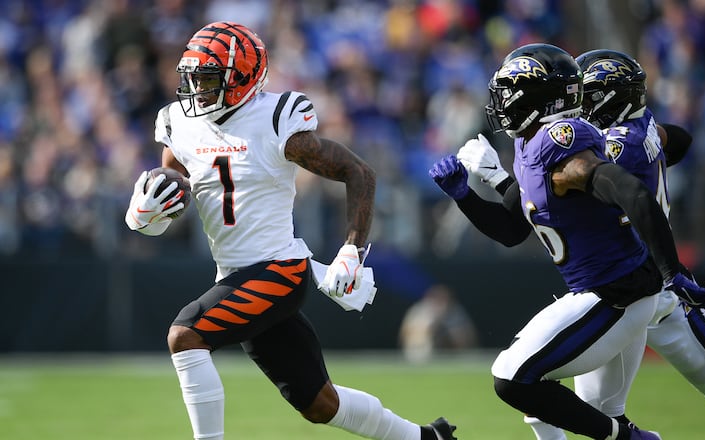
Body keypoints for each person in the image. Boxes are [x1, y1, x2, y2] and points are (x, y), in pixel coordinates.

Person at [124, 22, 457, 440]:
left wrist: (351, 251)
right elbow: (176, 193)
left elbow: (359, 172)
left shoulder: (274, 118)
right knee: (320, 403)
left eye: (209, 80)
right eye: (193, 79)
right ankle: (426, 438)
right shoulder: (180, 123)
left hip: (279, 271)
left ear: (243, 77)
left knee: (186, 334)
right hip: (234, 276)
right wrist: (145, 214)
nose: (198, 91)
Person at [455, 48, 705, 439]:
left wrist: (498, 179)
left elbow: (569, 192)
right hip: (637, 277)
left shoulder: (606, 146)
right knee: (589, 410)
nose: (579, 104)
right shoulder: (640, 129)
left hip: (647, 284)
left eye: (588, 96)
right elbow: (679, 141)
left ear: (609, 100)